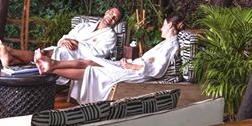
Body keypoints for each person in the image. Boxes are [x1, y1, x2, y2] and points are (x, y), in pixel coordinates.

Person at [36, 14, 185, 104]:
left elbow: (155, 69)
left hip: (136, 73)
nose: (161, 28)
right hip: (132, 66)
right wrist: (129, 63)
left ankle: (52, 69)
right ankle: (53, 64)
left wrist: (131, 66)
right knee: (92, 60)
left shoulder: (172, 46)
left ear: (170, 26)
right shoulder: (167, 43)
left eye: (163, 25)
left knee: (92, 70)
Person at [0, 6, 124, 67]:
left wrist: (77, 43)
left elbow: (99, 54)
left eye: (115, 18)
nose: (110, 17)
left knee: (46, 53)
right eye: (111, 13)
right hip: (65, 49)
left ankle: (9, 52)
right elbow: (67, 37)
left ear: (116, 23)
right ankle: (10, 57)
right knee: (47, 52)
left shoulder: (110, 36)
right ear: (106, 12)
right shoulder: (85, 25)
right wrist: (65, 40)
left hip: (81, 57)